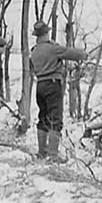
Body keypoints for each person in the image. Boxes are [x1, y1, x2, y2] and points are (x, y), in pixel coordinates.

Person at [30, 21, 87, 162]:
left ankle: (42, 153)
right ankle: (53, 155)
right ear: (46, 33)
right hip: (52, 84)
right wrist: (84, 54)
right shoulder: (52, 48)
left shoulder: (34, 50)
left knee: (43, 117)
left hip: (40, 85)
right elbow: (71, 53)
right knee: (55, 119)